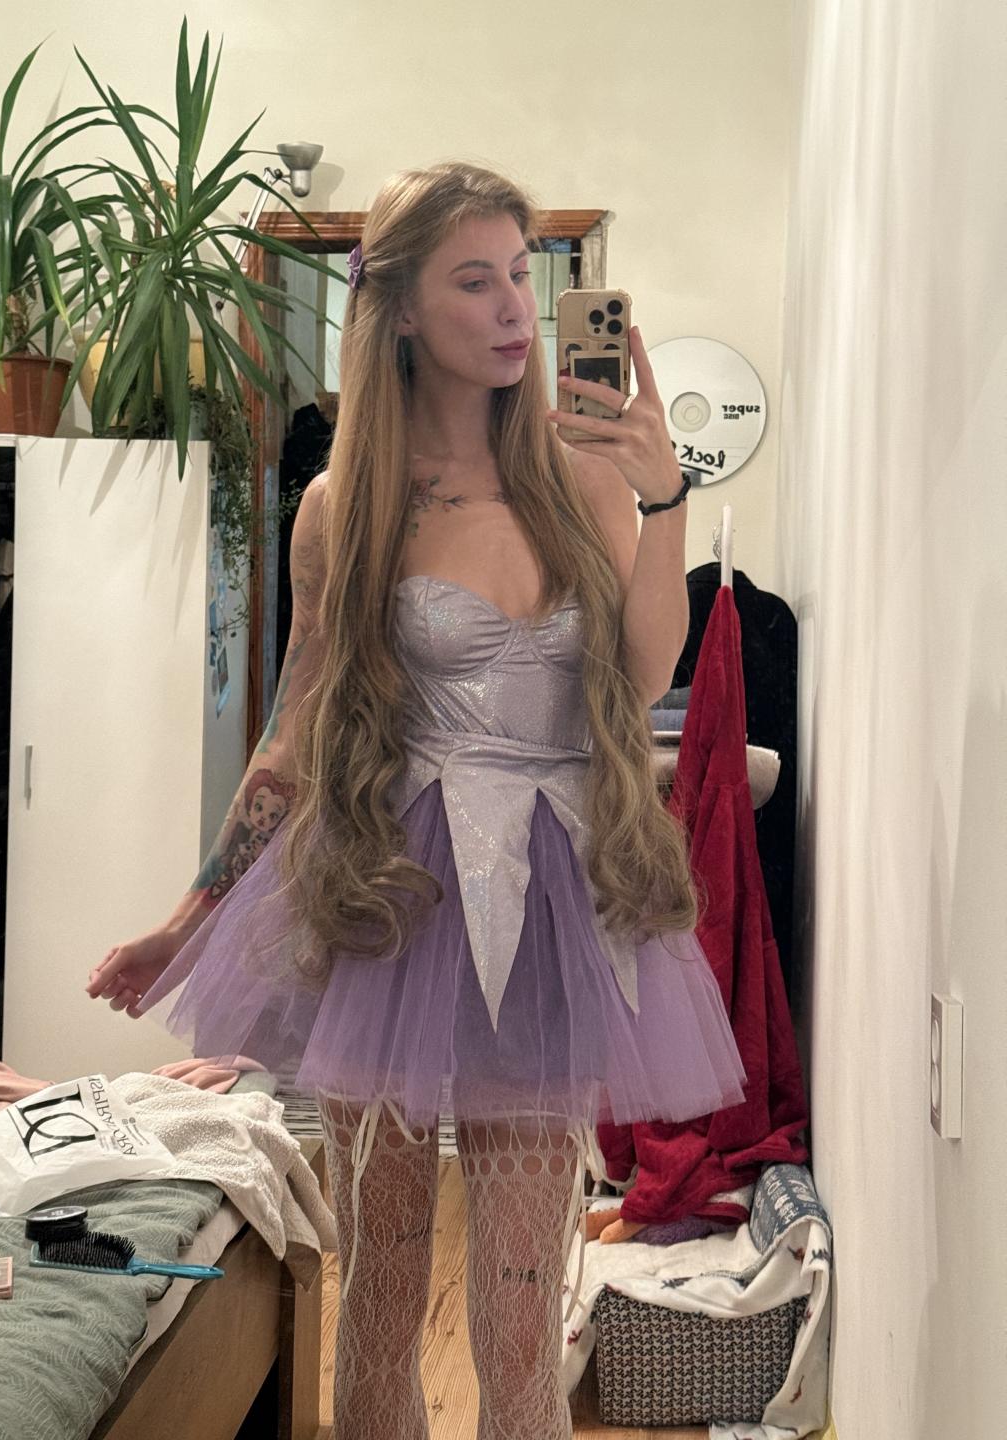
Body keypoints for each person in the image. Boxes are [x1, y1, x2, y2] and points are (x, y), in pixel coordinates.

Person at [87, 160, 747, 1440]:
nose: (512, 310)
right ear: (397, 309)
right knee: (381, 1293)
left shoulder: (583, 480)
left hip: (551, 902)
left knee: (518, 1315)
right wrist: (187, 922)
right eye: (474, 281)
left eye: (519, 278)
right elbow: (295, 729)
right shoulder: (345, 507)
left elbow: (641, 676)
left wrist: (665, 499)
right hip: (389, 902)